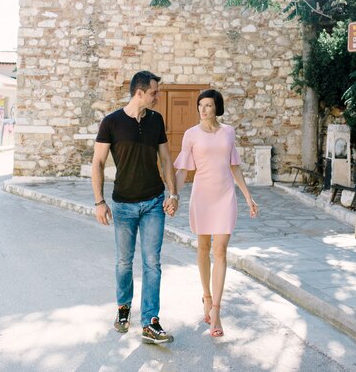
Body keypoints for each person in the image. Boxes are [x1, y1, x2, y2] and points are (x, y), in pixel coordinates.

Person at [92, 70, 179, 345]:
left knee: (153, 263)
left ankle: (150, 322)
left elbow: (166, 159)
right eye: (154, 92)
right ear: (139, 93)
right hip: (123, 204)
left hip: (154, 201)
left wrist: (173, 193)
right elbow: (97, 163)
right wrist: (99, 201)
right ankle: (123, 308)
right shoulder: (112, 122)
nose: (158, 97)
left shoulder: (156, 120)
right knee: (124, 261)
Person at [174, 89, 258, 338]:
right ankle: (207, 298)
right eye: (200, 105)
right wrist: (173, 195)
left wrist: (247, 196)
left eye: (208, 105)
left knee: (220, 250)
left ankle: (217, 311)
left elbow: (235, 166)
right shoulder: (191, 135)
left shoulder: (228, 132)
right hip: (202, 197)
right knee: (202, 248)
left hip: (225, 196)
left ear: (216, 108)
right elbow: (182, 172)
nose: (203, 109)